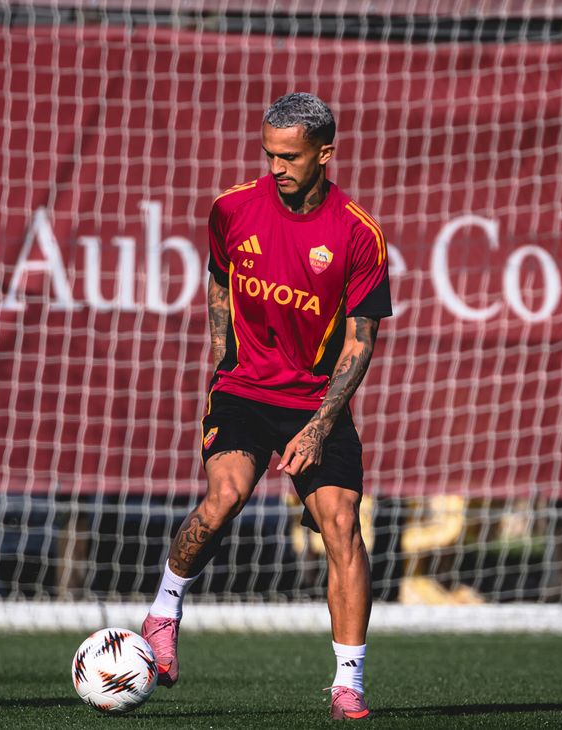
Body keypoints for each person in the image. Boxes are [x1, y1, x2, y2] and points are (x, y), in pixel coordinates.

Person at [142, 92, 393, 721]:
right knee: (224, 497)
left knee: (341, 528)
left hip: (315, 401)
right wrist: (223, 349)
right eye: (268, 153)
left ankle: (348, 684)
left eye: (289, 156)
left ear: (325, 156)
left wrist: (318, 426)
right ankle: (162, 615)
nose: (275, 167)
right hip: (244, 390)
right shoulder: (231, 208)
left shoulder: (358, 236)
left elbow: (360, 345)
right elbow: (218, 274)